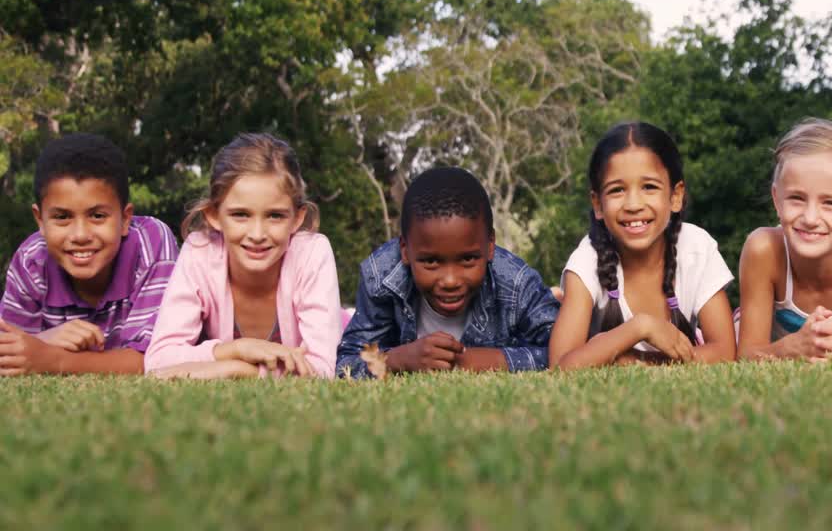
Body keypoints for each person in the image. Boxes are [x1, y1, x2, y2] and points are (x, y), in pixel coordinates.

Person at [144, 133, 343, 379]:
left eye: (275, 216)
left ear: (297, 218)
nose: (257, 234)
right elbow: (157, 362)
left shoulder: (312, 253)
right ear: (214, 215)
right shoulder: (200, 251)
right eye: (240, 214)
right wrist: (237, 351)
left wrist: (240, 370)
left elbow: (321, 371)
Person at [336, 166, 559, 378]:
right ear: (405, 250)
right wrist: (398, 359)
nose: (450, 280)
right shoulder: (381, 278)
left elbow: (562, 351)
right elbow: (346, 365)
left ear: (490, 245)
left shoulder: (516, 282)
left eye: (468, 259)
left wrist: (483, 360)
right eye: (431, 261)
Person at [549, 121, 736, 367]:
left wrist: (641, 361)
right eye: (617, 190)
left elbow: (725, 352)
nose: (634, 204)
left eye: (649, 187)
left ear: (675, 196)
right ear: (597, 204)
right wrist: (640, 327)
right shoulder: (587, 261)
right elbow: (561, 365)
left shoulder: (696, 248)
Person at [1, 134, 177, 375]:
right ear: (40, 220)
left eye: (97, 216)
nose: (80, 235)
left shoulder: (152, 245)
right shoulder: (31, 261)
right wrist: (47, 339)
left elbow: (155, 359)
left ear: (125, 218)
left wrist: (53, 360)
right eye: (62, 217)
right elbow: (10, 352)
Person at [737, 118, 832, 361]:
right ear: (777, 200)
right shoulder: (764, 250)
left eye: (830, 203)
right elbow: (747, 354)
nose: (810, 218)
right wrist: (794, 348)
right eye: (797, 198)